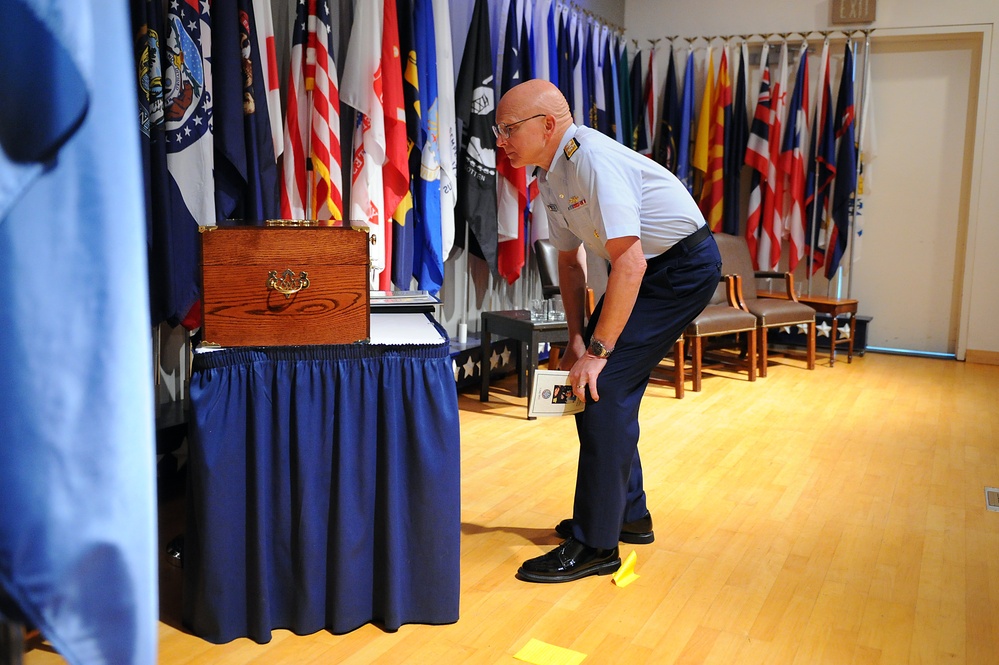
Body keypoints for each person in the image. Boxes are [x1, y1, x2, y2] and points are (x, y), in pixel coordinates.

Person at [494, 79, 722, 583]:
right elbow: (570, 264)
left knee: (602, 386)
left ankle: (597, 544)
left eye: (509, 128)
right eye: (499, 130)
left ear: (547, 125)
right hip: (648, 270)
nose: (501, 140)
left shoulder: (591, 159)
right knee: (598, 381)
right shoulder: (550, 174)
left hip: (680, 268)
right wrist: (576, 341)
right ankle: (628, 514)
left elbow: (631, 263)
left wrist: (597, 352)